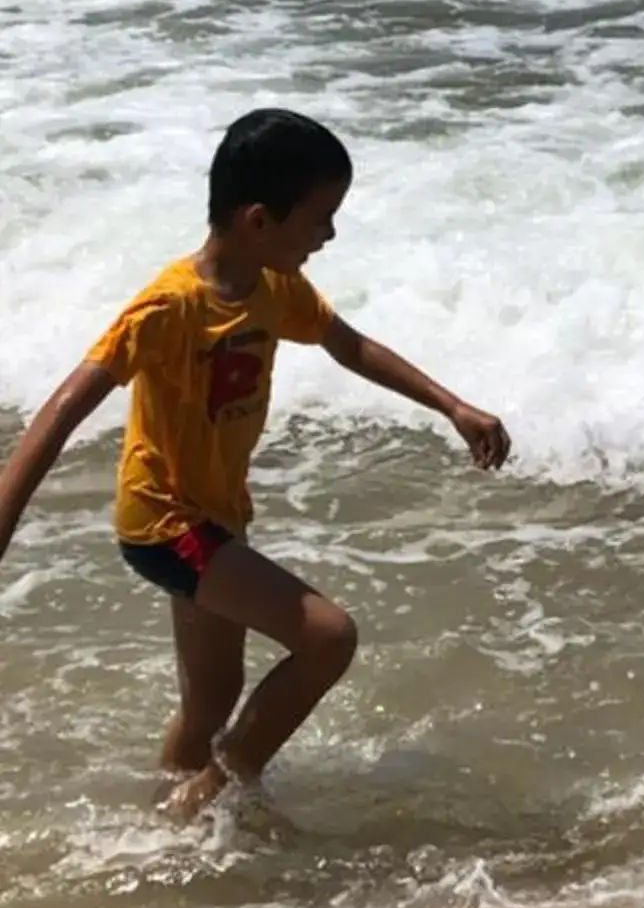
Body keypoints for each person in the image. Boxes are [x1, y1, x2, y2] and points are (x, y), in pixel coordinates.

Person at [0, 108, 510, 818]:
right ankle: (212, 797)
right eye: (320, 218)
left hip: (215, 519)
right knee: (329, 636)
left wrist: (451, 406)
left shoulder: (274, 290)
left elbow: (349, 345)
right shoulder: (169, 307)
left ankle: (157, 826)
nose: (328, 235)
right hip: (167, 524)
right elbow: (63, 409)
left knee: (210, 703)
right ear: (258, 221)